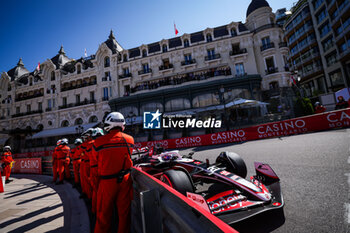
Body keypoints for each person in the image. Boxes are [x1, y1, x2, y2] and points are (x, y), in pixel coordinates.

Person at [93, 112, 134, 233]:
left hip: (106, 182)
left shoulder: (98, 142)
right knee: (124, 214)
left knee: (103, 215)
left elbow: (95, 163)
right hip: (125, 180)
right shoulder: (130, 139)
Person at [90, 128, 104, 215]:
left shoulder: (92, 144)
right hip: (101, 169)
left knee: (95, 190)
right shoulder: (102, 143)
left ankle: (95, 210)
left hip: (94, 168)